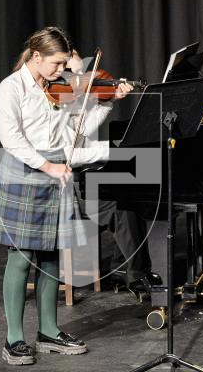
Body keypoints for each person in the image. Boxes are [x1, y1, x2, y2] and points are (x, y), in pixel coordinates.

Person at [0, 26, 132, 365]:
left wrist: (109, 101)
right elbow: (13, 141)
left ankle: (49, 331)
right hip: (24, 174)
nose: (62, 70)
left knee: (50, 258)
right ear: (36, 57)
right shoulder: (10, 89)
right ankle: (14, 339)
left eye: (65, 63)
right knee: (20, 258)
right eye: (57, 63)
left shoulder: (57, 87)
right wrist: (49, 167)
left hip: (55, 174)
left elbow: (81, 129)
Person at [67, 50, 162, 298]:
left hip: (79, 170)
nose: (79, 81)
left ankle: (125, 269)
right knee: (121, 205)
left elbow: (84, 131)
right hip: (59, 183)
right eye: (72, 73)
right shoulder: (45, 99)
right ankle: (136, 274)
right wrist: (113, 151)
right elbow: (71, 154)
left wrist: (108, 101)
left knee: (130, 191)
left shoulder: (65, 95)